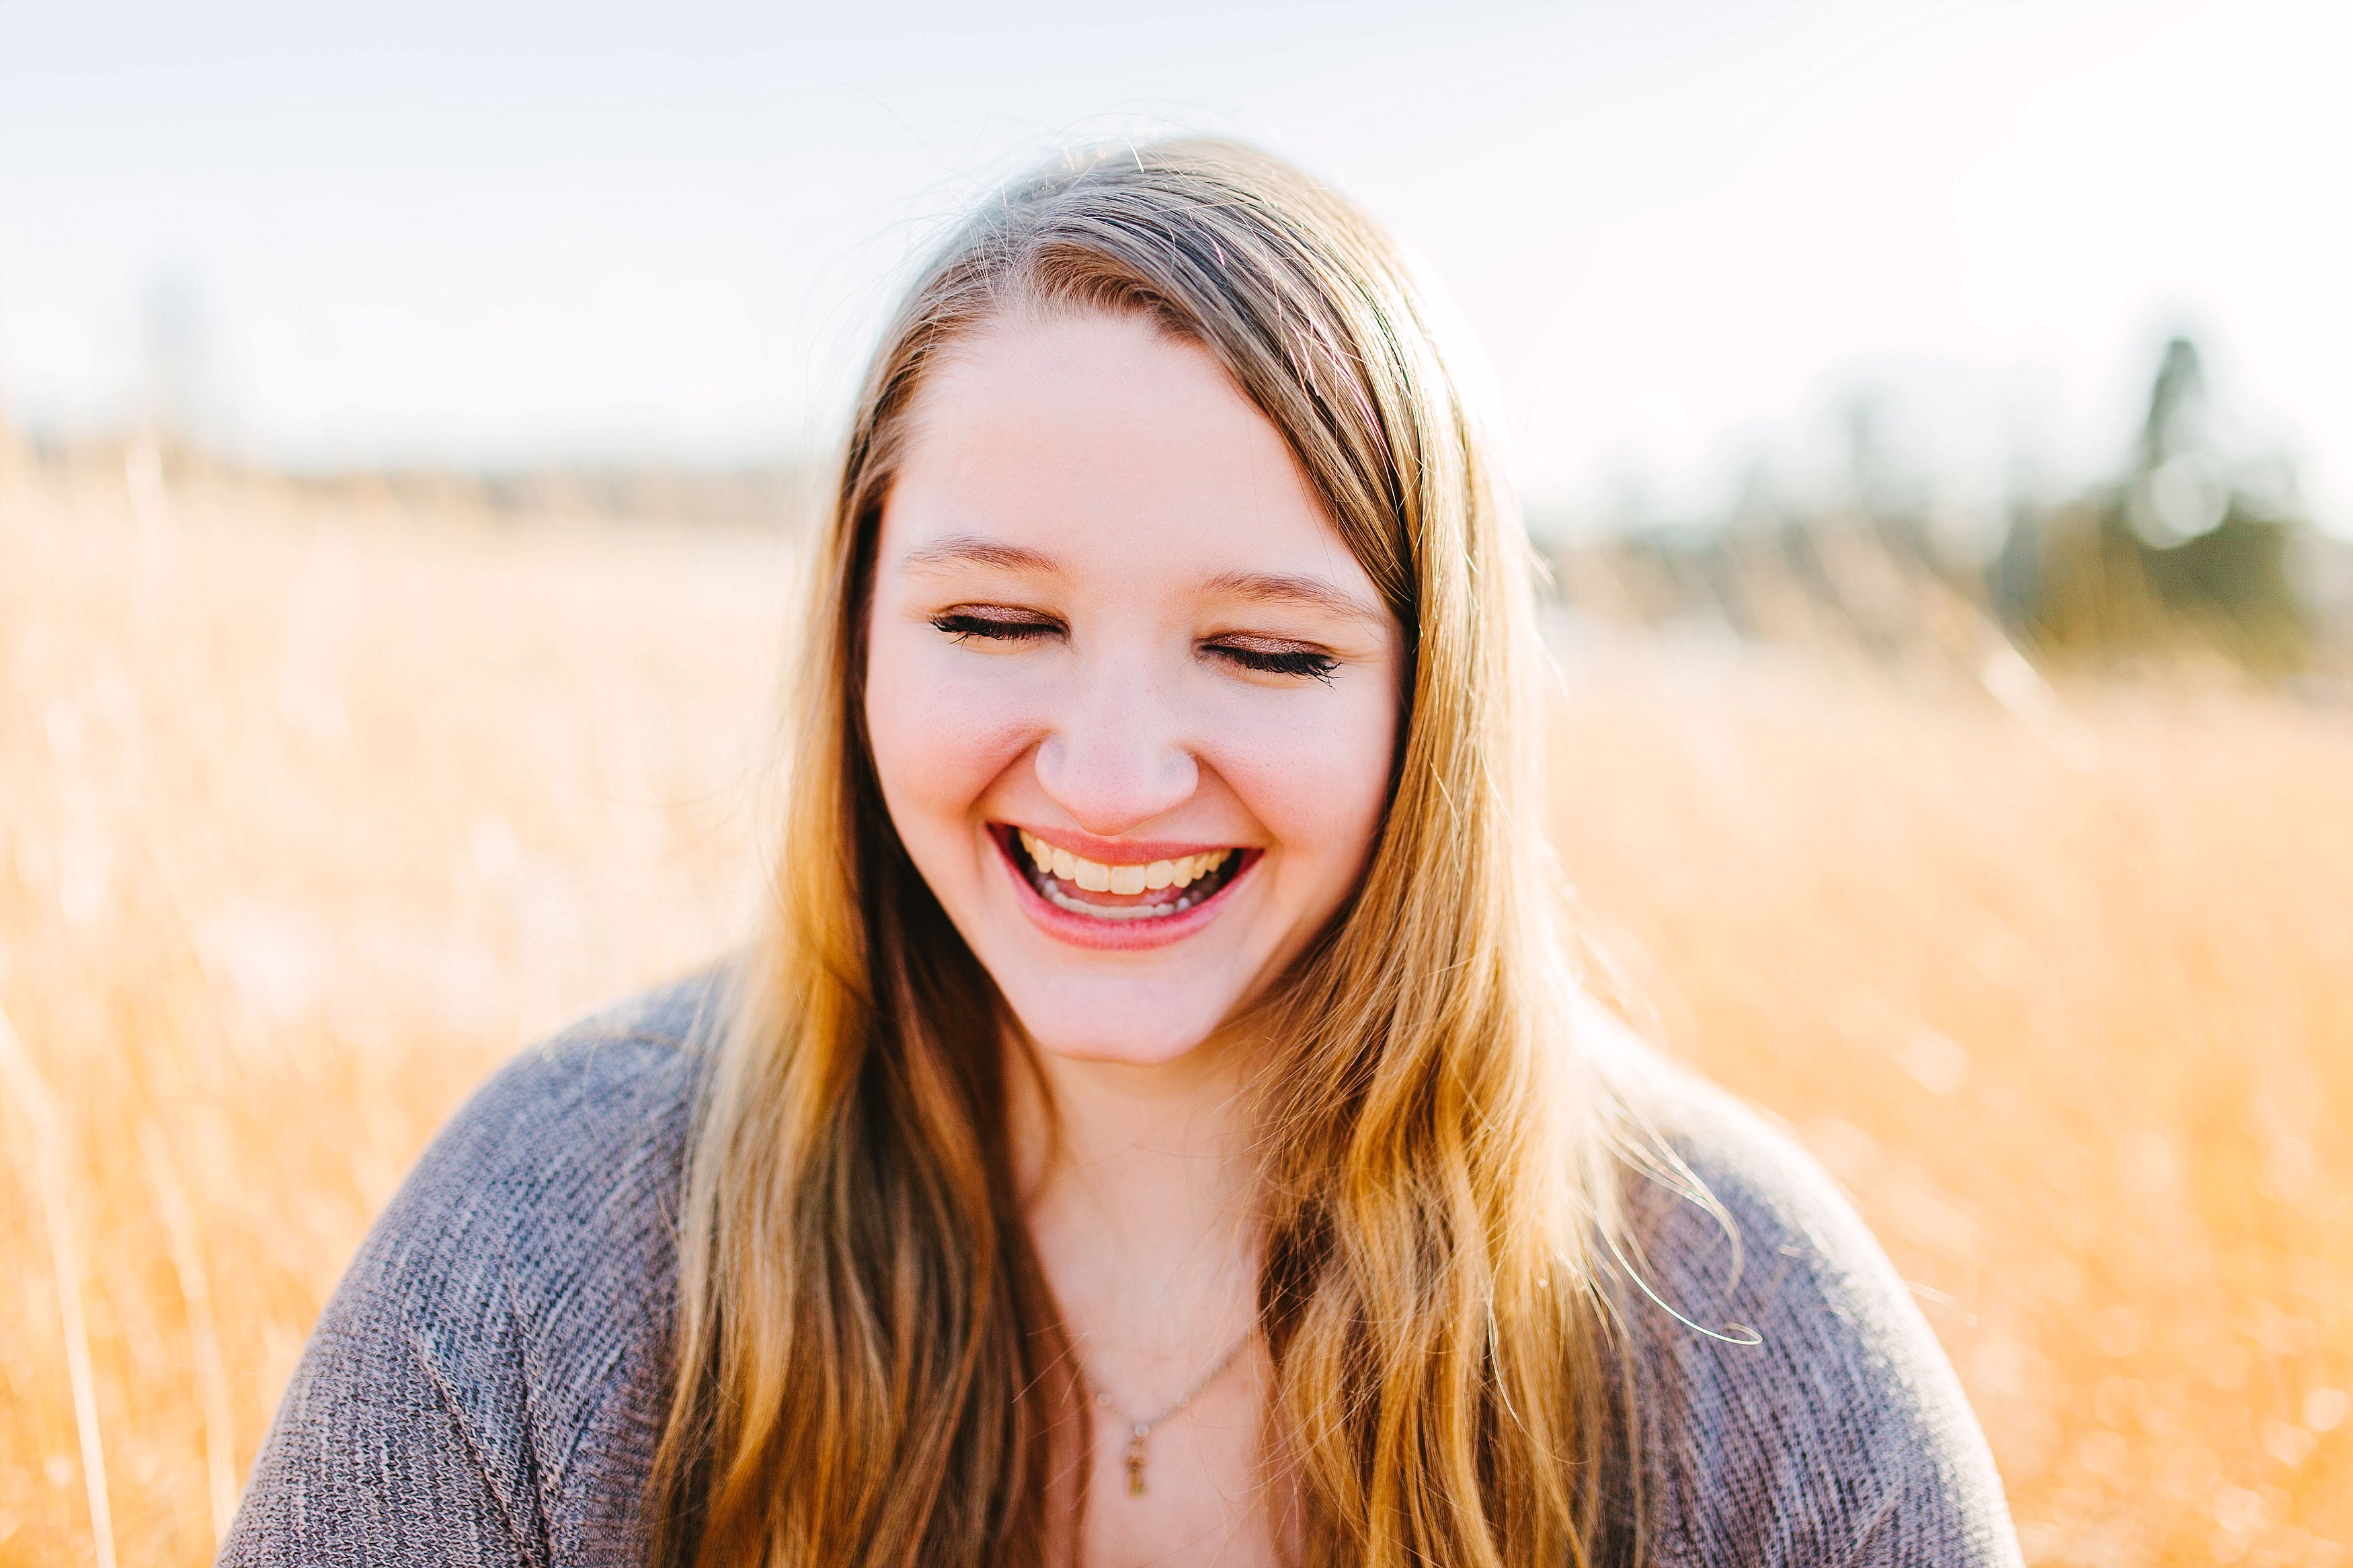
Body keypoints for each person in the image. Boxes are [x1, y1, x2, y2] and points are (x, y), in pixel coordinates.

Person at [220, 140, 2021, 1568]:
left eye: (1263, 651)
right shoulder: (558, 1244)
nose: (1107, 775)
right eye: (996, 622)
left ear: (1439, 698)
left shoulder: (1740, 1341)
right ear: (857, 634)